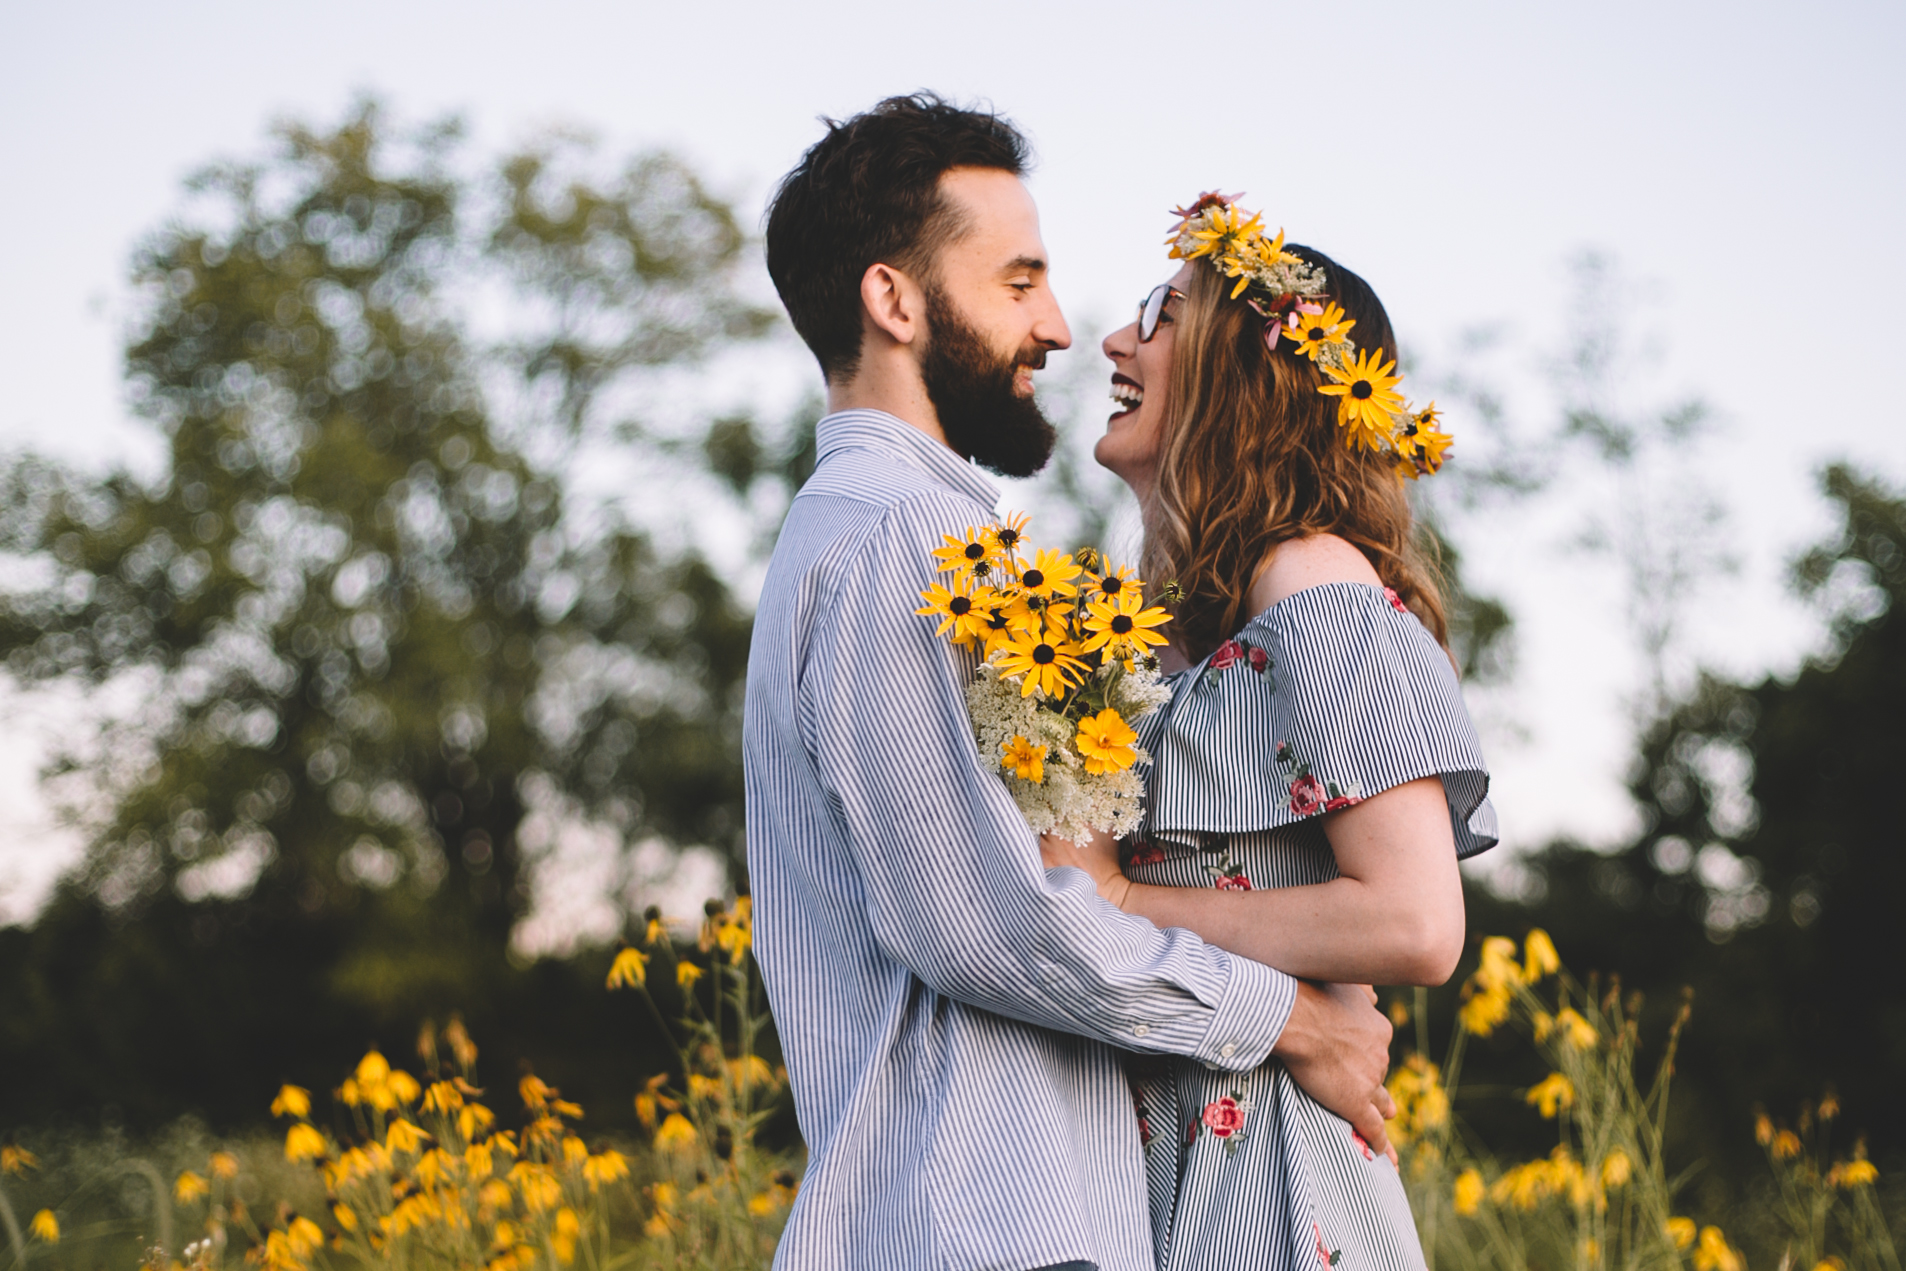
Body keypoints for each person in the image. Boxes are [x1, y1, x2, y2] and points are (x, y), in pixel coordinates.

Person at [745, 98, 1399, 1271]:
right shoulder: (900, 540)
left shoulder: (902, 536)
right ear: (893, 302)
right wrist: (1296, 1021)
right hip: (978, 1225)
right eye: (1017, 282)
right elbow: (987, 924)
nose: (1058, 325)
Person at [1042, 195, 1498, 1269]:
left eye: (1163, 310)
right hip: (1147, 1145)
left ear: (1247, 366)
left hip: (1269, 1158)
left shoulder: (1312, 579)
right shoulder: (1166, 629)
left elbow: (1416, 920)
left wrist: (1118, 902)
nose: (1114, 337)